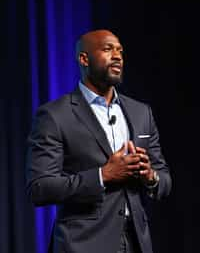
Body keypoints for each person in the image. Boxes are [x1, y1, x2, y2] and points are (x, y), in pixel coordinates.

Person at [26, 29, 172, 253]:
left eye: (120, 51)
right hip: (83, 244)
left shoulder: (141, 112)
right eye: (107, 49)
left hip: (137, 242)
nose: (117, 56)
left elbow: (164, 180)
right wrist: (103, 176)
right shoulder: (55, 115)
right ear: (84, 59)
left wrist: (150, 176)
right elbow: (40, 188)